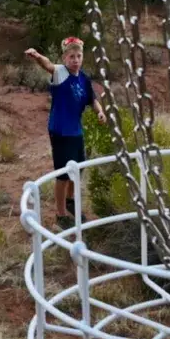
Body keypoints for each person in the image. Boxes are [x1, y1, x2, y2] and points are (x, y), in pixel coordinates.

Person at [24, 37, 105, 227]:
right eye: (71, 56)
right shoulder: (61, 72)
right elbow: (48, 65)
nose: (75, 60)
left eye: (78, 56)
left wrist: (100, 111)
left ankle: (70, 201)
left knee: (78, 169)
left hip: (76, 131)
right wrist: (37, 56)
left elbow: (92, 99)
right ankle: (60, 214)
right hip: (60, 131)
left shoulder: (83, 78)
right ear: (64, 58)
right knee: (62, 175)